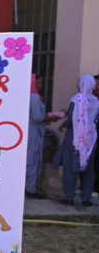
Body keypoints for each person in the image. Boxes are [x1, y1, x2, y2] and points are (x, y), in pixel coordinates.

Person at [51, 74, 99, 206]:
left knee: (70, 167)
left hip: (75, 137)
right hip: (90, 137)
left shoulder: (77, 98)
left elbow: (73, 117)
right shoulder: (95, 100)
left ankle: (69, 198)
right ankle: (86, 199)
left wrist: (63, 125)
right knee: (88, 168)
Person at [26, 75, 62, 199]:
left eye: (41, 83)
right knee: (32, 159)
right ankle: (30, 189)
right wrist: (51, 118)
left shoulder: (29, 96)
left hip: (31, 130)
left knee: (30, 158)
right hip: (34, 132)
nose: (40, 86)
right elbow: (37, 117)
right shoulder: (34, 97)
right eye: (38, 83)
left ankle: (28, 187)